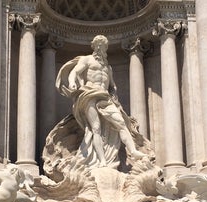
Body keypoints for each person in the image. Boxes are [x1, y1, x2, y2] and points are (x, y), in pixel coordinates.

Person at [55, 35, 147, 168]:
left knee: (121, 123)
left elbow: (112, 85)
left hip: (105, 97)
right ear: (94, 46)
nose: (100, 48)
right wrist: (71, 83)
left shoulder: (107, 67)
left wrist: (114, 92)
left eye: (103, 45)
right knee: (96, 128)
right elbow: (74, 72)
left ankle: (133, 151)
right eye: (98, 45)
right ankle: (102, 161)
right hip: (89, 94)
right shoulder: (87, 60)